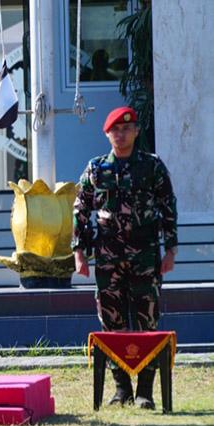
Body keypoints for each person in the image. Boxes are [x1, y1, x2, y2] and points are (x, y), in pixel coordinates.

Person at [72, 106, 178, 410]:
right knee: (111, 321)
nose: (121, 134)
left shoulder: (152, 167)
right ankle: (121, 389)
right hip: (107, 257)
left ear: (136, 132)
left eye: (127, 129)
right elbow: (81, 210)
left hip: (145, 255)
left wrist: (170, 250)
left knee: (148, 320)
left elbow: (168, 206)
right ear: (107, 134)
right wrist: (80, 253)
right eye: (115, 130)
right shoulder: (96, 169)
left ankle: (145, 390)